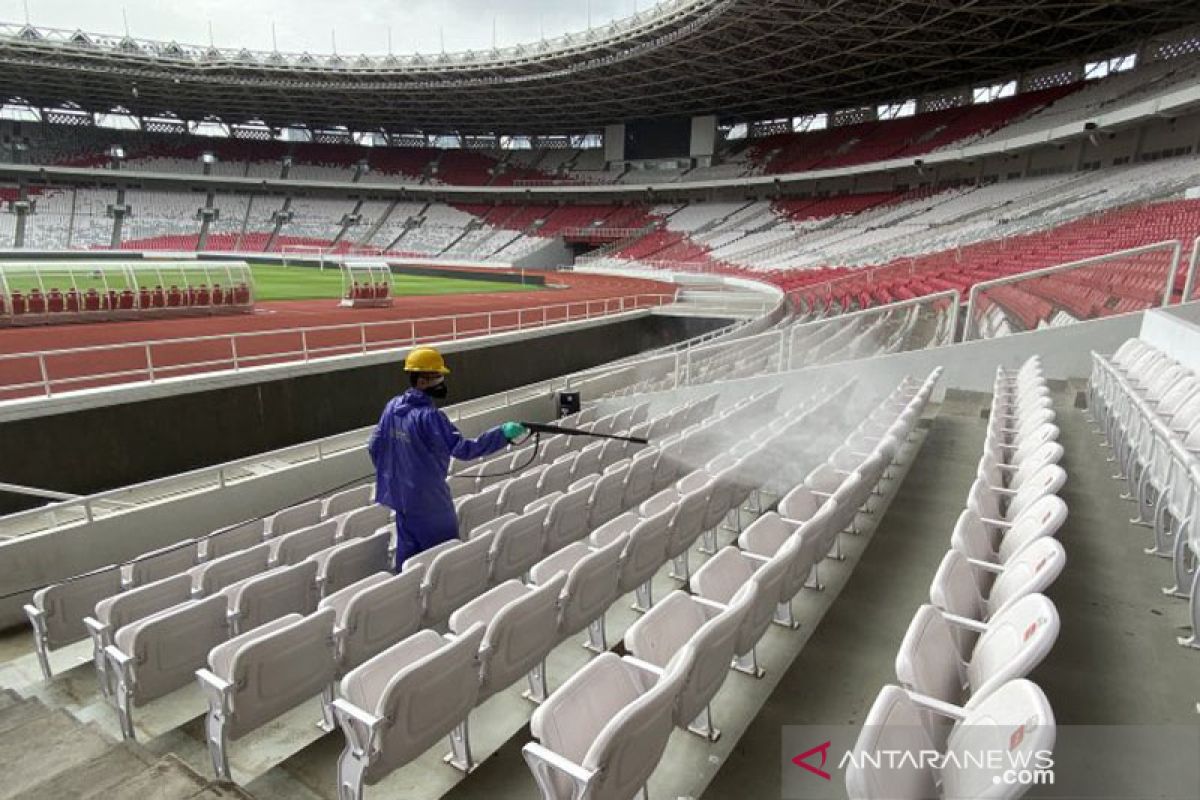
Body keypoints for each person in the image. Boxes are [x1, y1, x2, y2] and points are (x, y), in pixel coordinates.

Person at [368, 346, 528, 570]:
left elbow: (374, 445)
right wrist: (502, 435)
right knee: (446, 563)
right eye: (437, 376)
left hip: (402, 501)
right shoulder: (430, 416)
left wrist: (396, 476)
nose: (442, 381)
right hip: (431, 504)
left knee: (408, 568)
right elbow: (464, 449)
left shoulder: (391, 407)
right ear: (422, 381)